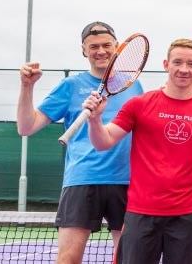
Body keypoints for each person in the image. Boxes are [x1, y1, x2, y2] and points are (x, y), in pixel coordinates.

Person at [83, 38, 192, 263]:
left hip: (185, 216)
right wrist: (95, 120)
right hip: (140, 214)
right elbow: (103, 142)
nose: (184, 69)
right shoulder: (139, 105)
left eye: (191, 64)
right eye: (178, 62)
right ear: (166, 64)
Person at [16, 21, 143, 264]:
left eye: (107, 45)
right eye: (93, 46)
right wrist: (27, 87)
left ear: (116, 47)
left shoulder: (133, 85)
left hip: (127, 181)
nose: (101, 51)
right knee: (68, 260)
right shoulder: (70, 86)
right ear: (84, 51)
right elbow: (26, 127)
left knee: (129, 259)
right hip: (82, 180)